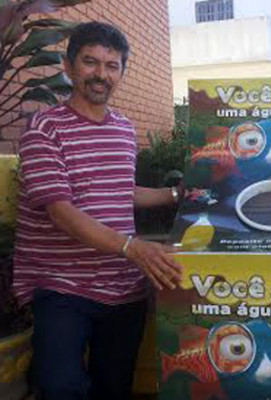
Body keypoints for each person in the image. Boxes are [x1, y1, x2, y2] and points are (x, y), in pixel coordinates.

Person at [13, 22, 183, 400]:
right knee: (60, 387)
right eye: (90, 62)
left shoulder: (123, 128)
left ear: (121, 72)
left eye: (111, 65)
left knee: (114, 389)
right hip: (62, 286)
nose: (100, 74)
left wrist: (178, 193)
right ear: (68, 66)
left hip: (123, 287)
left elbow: (120, 191)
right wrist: (133, 248)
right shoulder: (43, 129)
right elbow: (60, 211)